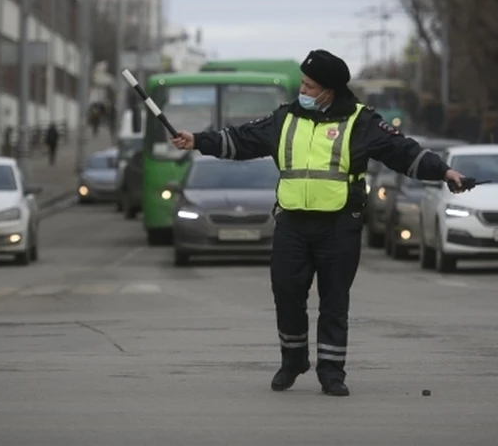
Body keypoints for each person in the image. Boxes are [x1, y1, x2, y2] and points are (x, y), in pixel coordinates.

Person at [169, 49, 468, 397]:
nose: (303, 91)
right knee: (286, 293)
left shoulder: (362, 121)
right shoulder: (285, 118)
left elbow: (404, 152)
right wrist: (199, 141)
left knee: (334, 301)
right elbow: (242, 139)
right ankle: (293, 360)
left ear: (329, 90)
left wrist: (444, 172)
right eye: (303, 84)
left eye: (310, 86)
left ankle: (331, 373)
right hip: (292, 224)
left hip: (339, 226)